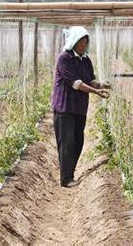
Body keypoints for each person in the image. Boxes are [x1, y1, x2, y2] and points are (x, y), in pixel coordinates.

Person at [51, 26, 110, 188]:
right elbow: (76, 84)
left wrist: (101, 84)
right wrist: (96, 91)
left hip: (79, 107)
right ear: (74, 42)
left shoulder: (85, 60)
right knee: (67, 142)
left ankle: (70, 171)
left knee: (78, 141)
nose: (84, 45)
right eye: (81, 42)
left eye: (86, 42)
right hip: (64, 107)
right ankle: (66, 178)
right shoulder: (64, 59)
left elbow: (89, 79)